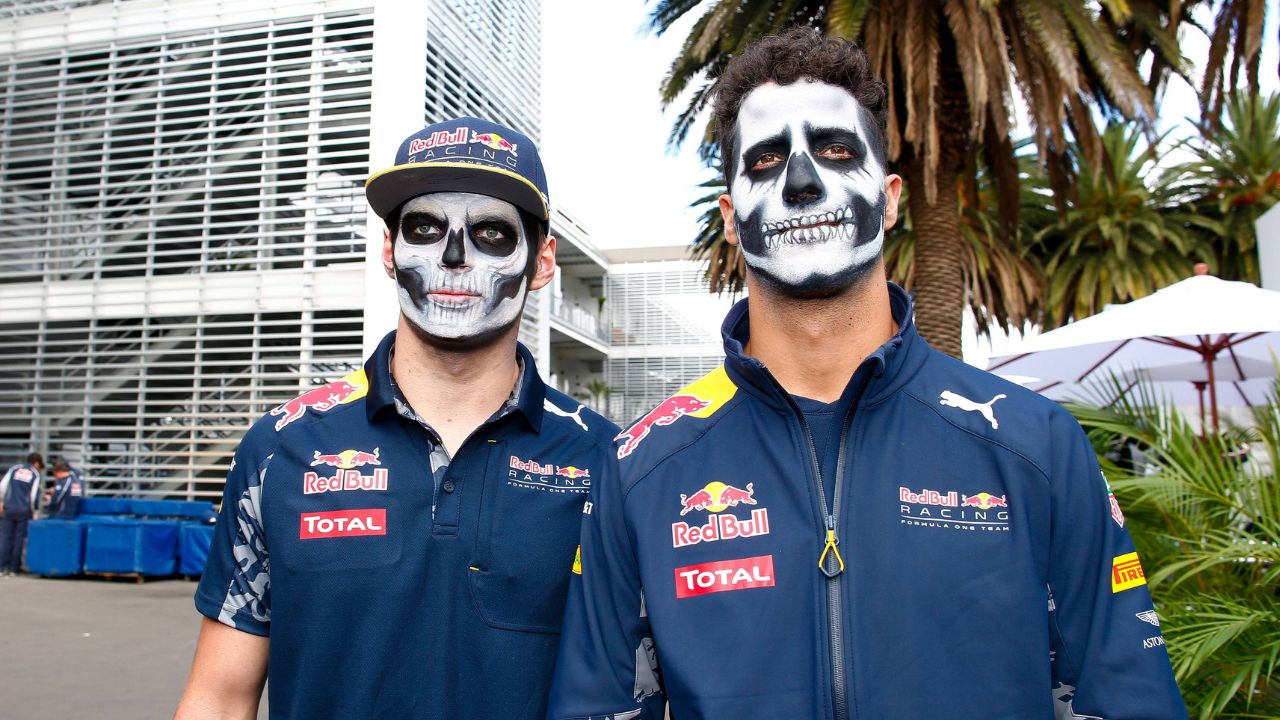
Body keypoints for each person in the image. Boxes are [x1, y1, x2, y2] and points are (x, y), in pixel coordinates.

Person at [548, 28, 1188, 720]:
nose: (801, 183)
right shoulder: (641, 469)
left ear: (889, 198)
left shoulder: (1037, 445)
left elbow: (1124, 699)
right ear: (729, 218)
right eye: (766, 160)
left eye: (835, 151)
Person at [174, 116, 617, 720]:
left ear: (541, 263)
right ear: (389, 251)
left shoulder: (612, 463)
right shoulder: (280, 448)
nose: (453, 258)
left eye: (491, 232)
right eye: (425, 228)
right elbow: (220, 698)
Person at [0, 452, 44, 576]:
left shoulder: (15, 468)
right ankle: (14, 568)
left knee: (5, 537)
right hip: (24, 510)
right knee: (19, 539)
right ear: (36, 463)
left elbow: (2, 486)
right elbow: (33, 495)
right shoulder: (35, 474)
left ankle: (1, 567)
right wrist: (35, 511)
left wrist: (2, 501)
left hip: (9, 507)